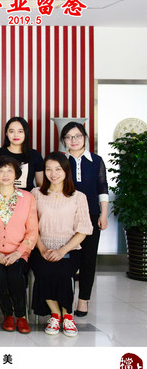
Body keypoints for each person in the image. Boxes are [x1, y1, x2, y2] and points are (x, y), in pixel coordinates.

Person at [31, 152, 92, 337]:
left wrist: (62, 250)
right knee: (43, 271)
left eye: (58, 169)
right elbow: (31, 226)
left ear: (66, 171)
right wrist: (42, 248)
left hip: (69, 248)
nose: (53, 174)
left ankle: (68, 316)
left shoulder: (78, 197)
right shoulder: (36, 194)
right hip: (41, 247)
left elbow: (83, 230)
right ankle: (56, 314)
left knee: (63, 274)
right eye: (49, 169)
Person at [0, 155, 38, 334]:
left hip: (20, 252)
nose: (5, 175)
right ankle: (8, 315)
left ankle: (21, 316)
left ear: (16, 174)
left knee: (14, 274)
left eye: (9, 171)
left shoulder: (27, 197)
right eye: (1, 170)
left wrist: (19, 252)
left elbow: (32, 231)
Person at [61, 122, 109, 317]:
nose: (73, 140)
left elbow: (102, 187)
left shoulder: (96, 160)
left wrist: (103, 214)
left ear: (85, 137)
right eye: (69, 137)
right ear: (64, 140)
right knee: (70, 259)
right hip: (66, 217)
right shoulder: (62, 161)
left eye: (78, 136)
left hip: (91, 216)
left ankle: (83, 301)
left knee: (89, 259)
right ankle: (66, 300)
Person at [0, 117, 44, 191]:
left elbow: (40, 184)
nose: (16, 135)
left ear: (26, 133)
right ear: (6, 133)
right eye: (11, 131)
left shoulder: (34, 155)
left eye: (20, 131)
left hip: (28, 196)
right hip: (2, 196)